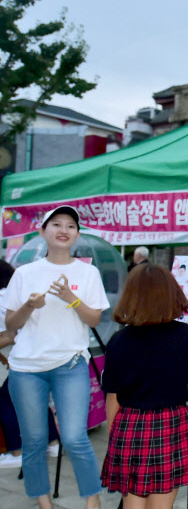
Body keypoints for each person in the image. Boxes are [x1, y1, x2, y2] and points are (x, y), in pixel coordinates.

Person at [4, 205, 109, 509]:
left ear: (77, 234)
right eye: (57, 224)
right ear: (42, 232)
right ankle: (43, 502)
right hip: (26, 369)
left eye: (71, 226)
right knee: (34, 441)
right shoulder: (24, 273)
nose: (64, 230)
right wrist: (29, 306)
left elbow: (93, 319)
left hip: (71, 364)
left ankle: (92, 500)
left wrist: (70, 299)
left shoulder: (88, 273)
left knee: (76, 439)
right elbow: (11, 325)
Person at [101, 263, 188, 508]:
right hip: (172, 425)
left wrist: (113, 436)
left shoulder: (118, 342)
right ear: (172, 295)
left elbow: (112, 396)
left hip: (129, 426)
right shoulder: (186, 336)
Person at [0, 259, 61, 469]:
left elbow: (11, 334)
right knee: (37, 398)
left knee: (6, 401)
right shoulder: (20, 293)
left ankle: (18, 451)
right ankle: (53, 444)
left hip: (26, 358)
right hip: (43, 355)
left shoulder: (3, 299)